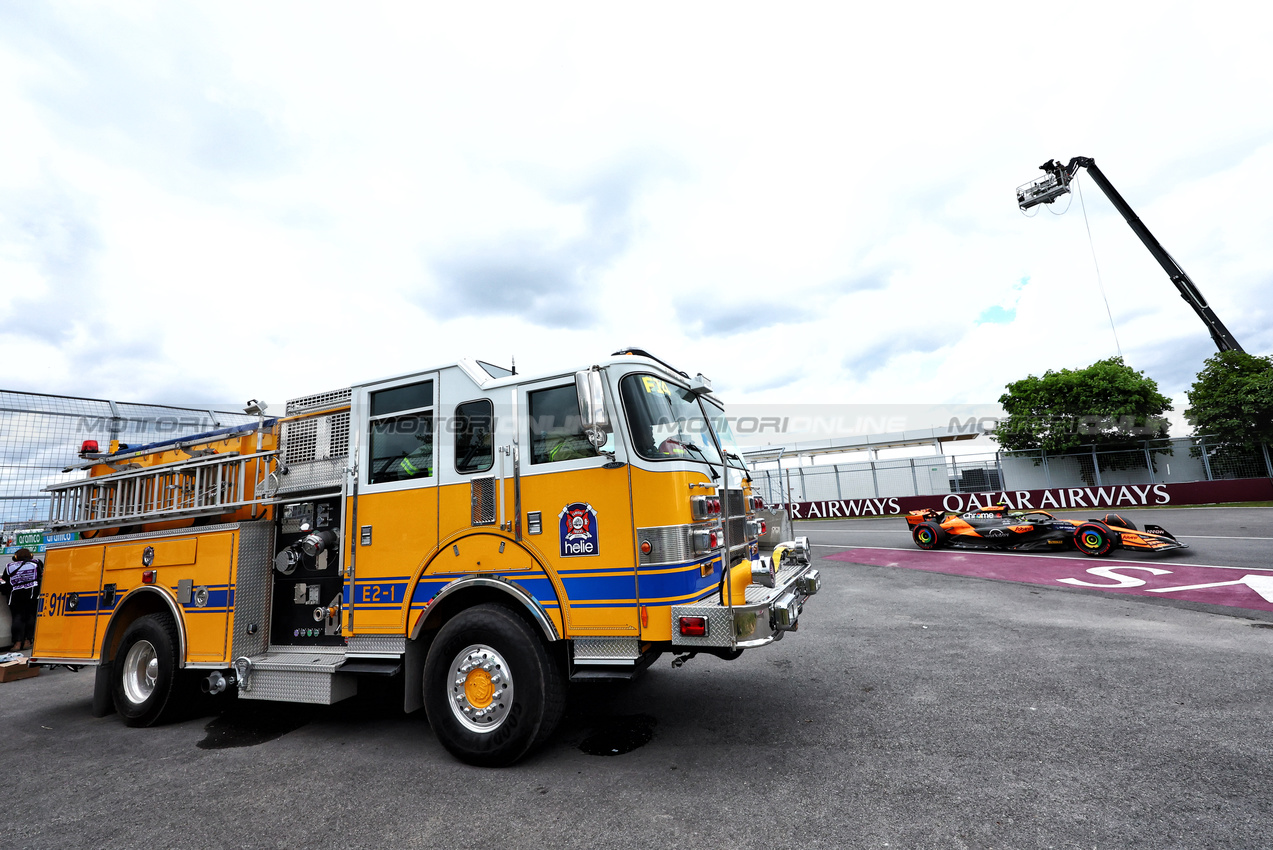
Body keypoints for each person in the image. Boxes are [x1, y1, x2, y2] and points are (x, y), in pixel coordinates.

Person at [2, 548, 41, 652]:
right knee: (31, 617)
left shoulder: (9, 566)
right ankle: (28, 641)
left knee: (17, 618)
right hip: (31, 594)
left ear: (16, 557)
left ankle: (17, 643)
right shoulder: (36, 564)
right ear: (30, 556)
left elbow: (5, 580)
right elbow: (41, 576)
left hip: (15, 596)